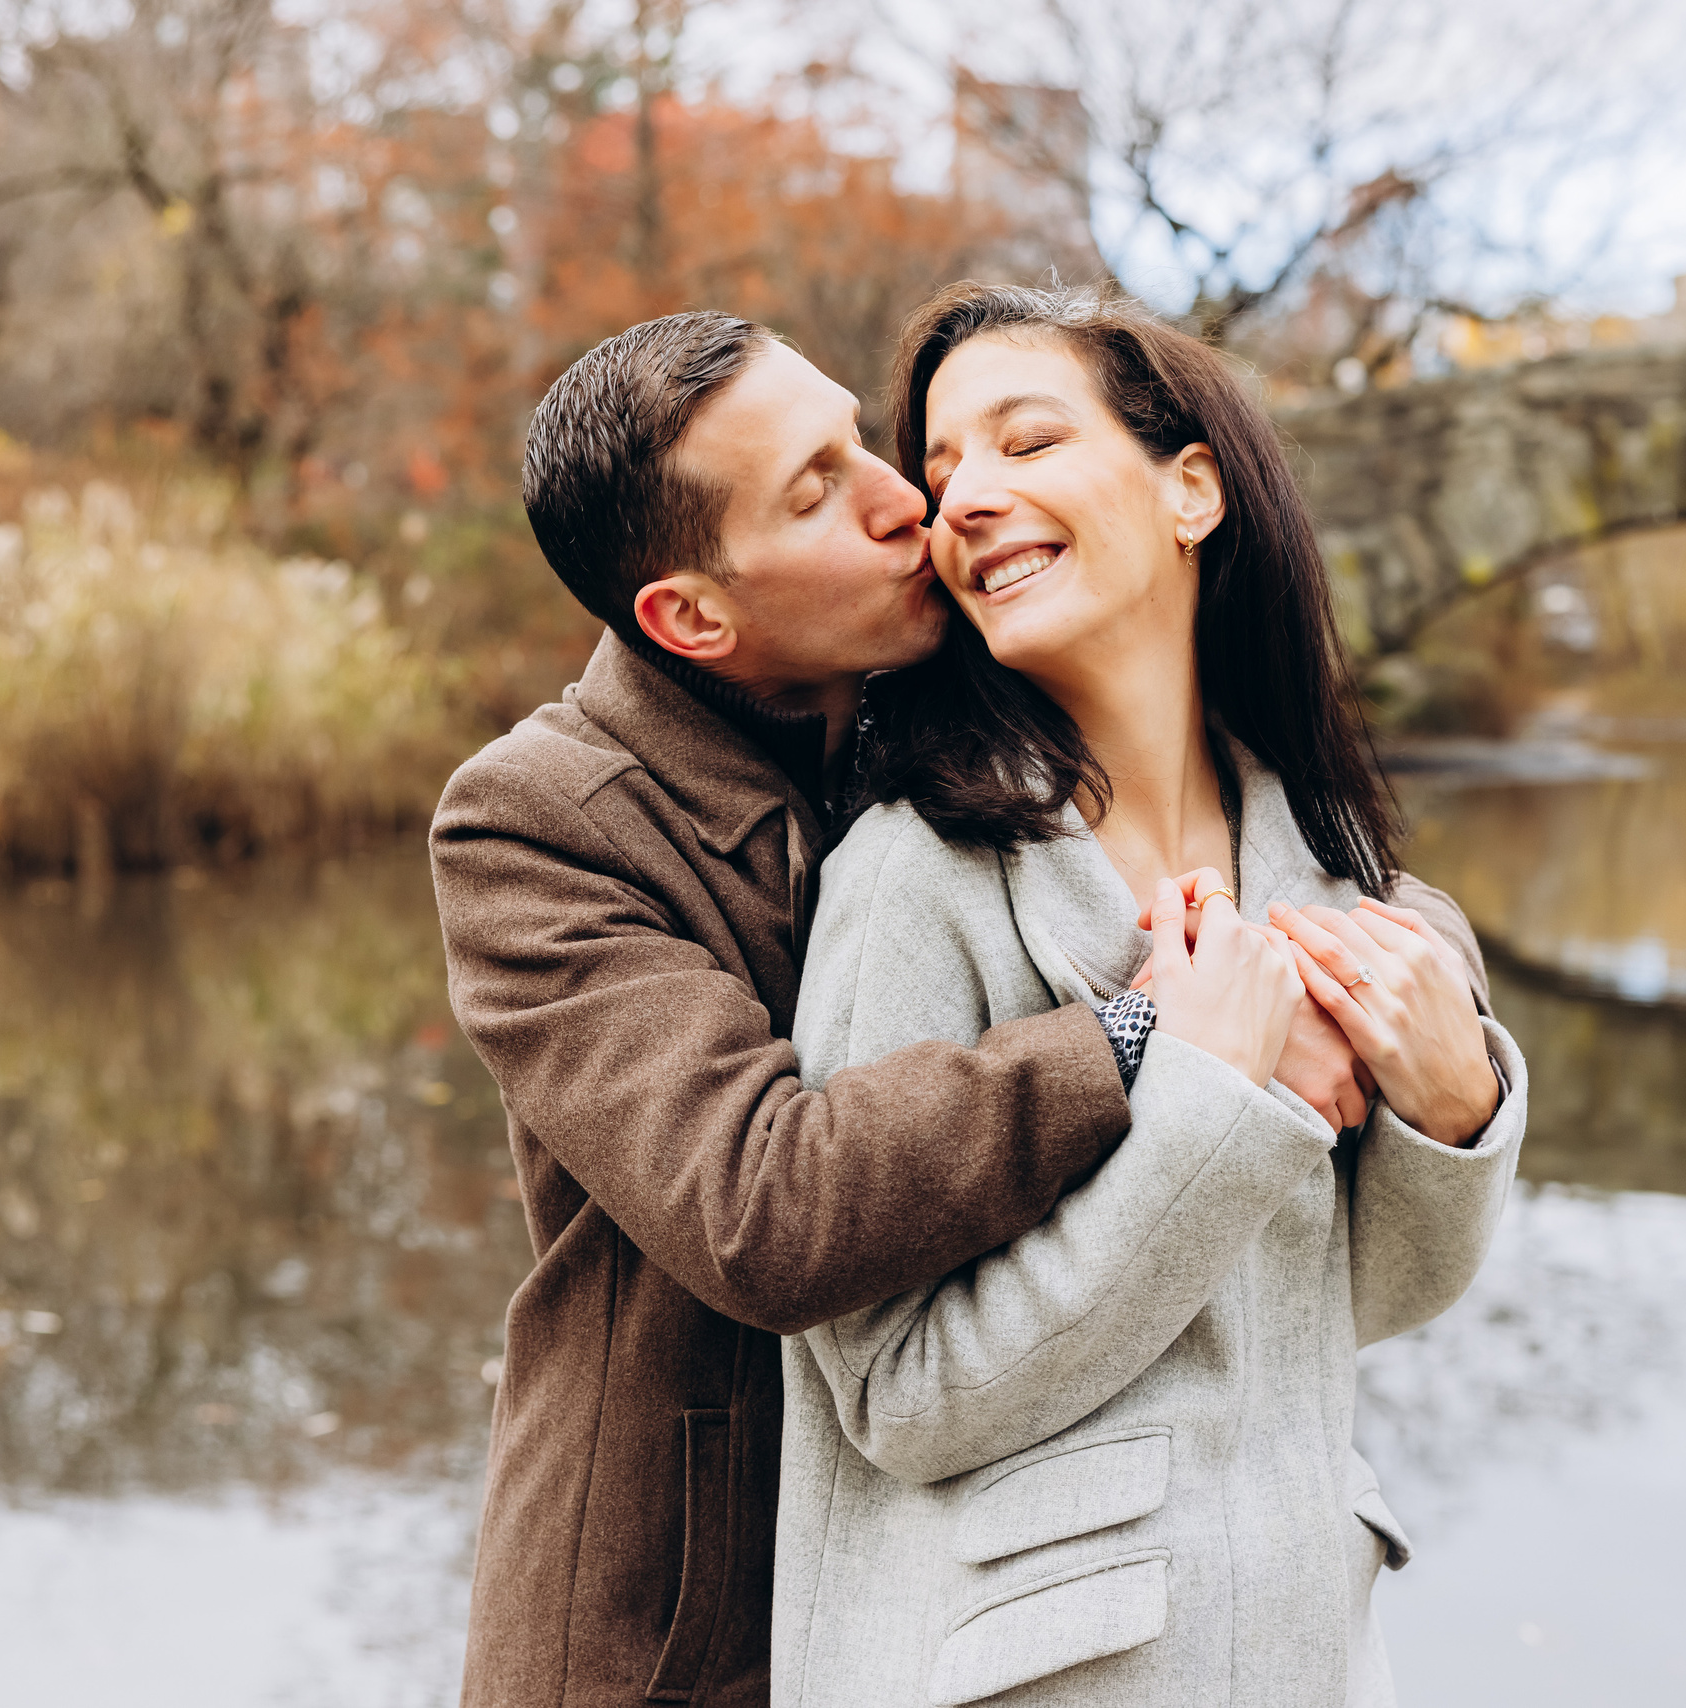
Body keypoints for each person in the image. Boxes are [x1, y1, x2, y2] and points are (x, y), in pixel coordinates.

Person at [429, 312, 1485, 1708]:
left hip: (1023, 1588)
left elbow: (1275, 836)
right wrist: (1146, 1035)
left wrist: (1442, 1049)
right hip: (678, 1626)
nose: (911, 499)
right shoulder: (540, 824)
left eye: (866, 443)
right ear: (695, 618)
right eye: (819, 489)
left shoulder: (942, 682)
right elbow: (764, 1204)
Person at [772, 283, 1528, 1707]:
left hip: (1305, 1646)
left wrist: (1453, 1110)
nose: (967, 500)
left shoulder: (1325, 853)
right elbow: (897, 1397)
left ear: (1192, 489)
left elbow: (1352, 1300)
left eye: (1026, 443)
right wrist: (1212, 1105)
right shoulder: (917, 874)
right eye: (941, 472)